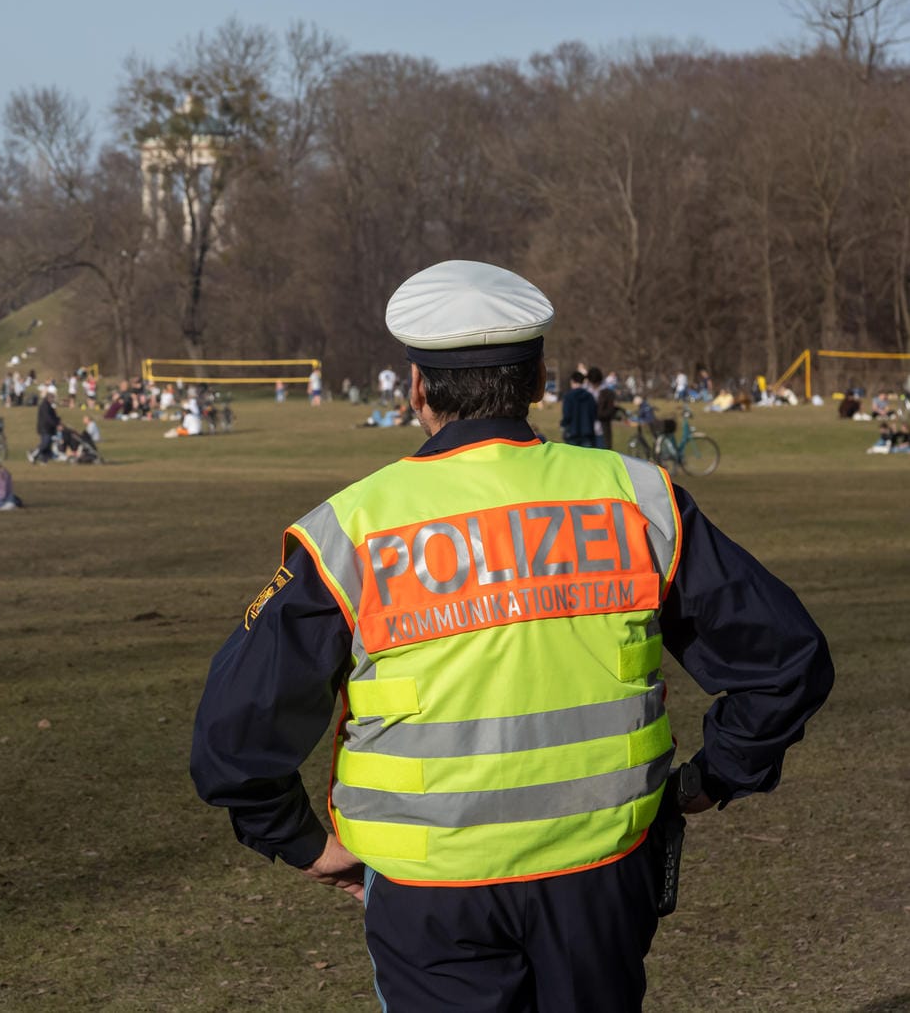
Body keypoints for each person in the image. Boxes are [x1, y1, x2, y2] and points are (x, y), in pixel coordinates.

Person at [190, 259, 833, 1011]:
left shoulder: (352, 531)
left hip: (430, 892)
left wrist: (298, 841)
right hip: (601, 875)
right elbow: (785, 659)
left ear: (417, 388)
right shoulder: (638, 498)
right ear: (538, 383)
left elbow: (233, 736)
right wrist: (713, 775)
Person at [560, 370, 598, 446]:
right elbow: (594, 414)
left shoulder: (568, 396)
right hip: (588, 432)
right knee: (587, 457)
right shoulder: (590, 396)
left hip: (572, 433)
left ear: (572, 381)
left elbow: (567, 415)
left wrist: (563, 425)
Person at [591, 366, 617, 450]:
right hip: (589, 432)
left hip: (602, 430)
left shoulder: (607, 393)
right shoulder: (587, 392)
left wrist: (597, 414)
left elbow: (610, 411)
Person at [34, 392, 61, 463]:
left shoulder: (49, 405)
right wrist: (56, 424)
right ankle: (33, 453)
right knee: (45, 443)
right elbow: (48, 418)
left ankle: (43, 459)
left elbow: (53, 416)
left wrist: (58, 421)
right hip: (45, 428)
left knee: (48, 445)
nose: (54, 399)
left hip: (48, 428)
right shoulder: (44, 406)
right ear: (49, 398)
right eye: (53, 398)